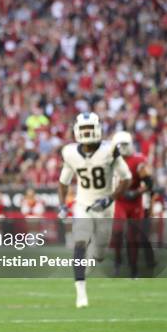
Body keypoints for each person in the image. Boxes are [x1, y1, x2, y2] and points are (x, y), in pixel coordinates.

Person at [58, 112, 131, 308]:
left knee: (99, 253)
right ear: (77, 131)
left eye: (91, 128)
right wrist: (63, 204)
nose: (88, 132)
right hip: (83, 204)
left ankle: (91, 260)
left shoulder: (109, 151)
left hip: (106, 207)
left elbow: (126, 178)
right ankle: (80, 292)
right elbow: (63, 181)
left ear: (98, 129)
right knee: (80, 241)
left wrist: (110, 198)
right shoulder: (70, 152)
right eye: (84, 129)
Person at [110, 131, 155, 277]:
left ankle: (133, 268)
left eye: (124, 144)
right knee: (117, 232)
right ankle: (117, 261)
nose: (122, 148)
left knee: (132, 237)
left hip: (134, 202)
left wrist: (136, 193)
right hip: (120, 200)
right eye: (120, 145)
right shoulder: (111, 159)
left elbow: (149, 183)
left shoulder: (138, 160)